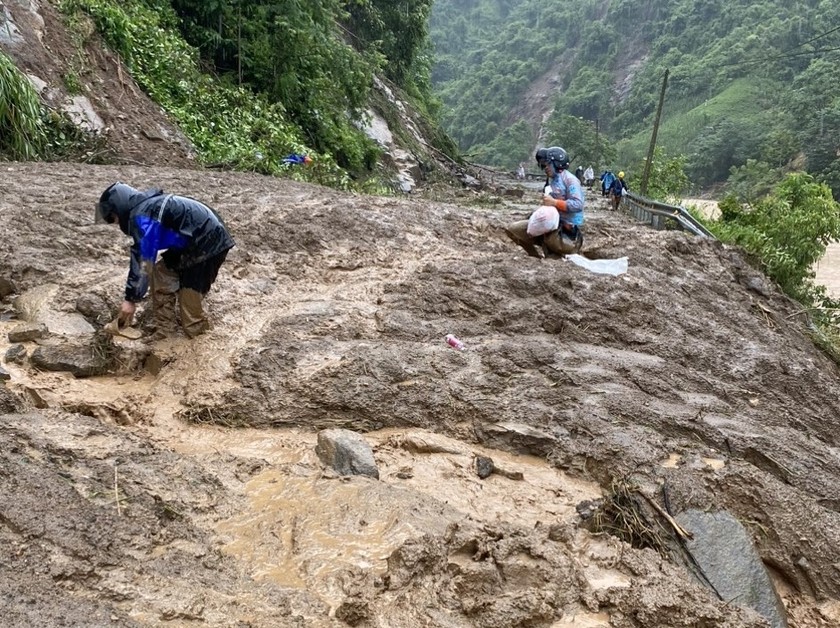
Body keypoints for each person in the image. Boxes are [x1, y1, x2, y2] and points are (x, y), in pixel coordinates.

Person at [95, 182, 235, 339]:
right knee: (161, 274)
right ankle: (165, 331)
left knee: (189, 303)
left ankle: (198, 341)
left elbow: (143, 259)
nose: (117, 223)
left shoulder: (142, 216)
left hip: (208, 242)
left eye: (114, 218)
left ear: (119, 208)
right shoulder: (147, 209)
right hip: (189, 242)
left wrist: (130, 300)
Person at [505, 146, 584, 258]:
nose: (545, 168)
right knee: (513, 230)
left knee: (552, 254)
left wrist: (555, 202)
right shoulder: (552, 181)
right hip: (551, 225)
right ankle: (534, 256)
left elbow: (578, 204)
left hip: (566, 234)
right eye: (543, 165)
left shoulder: (570, 180)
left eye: (547, 164)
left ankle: (555, 254)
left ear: (557, 164)